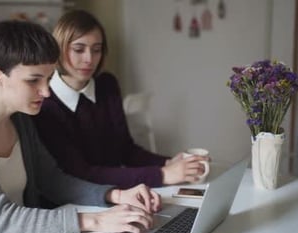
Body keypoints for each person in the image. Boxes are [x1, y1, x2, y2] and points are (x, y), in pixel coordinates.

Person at [0, 20, 161, 233]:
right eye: (33, 80)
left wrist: (115, 195)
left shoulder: (20, 117)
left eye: (48, 79)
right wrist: (95, 221)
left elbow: (52, 180)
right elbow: (0, 219)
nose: (45, 92)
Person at [33, 10, 209, 188]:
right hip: (82, 203)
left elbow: (126, 150)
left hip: (120, 193)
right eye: (79, 49)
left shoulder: (106, 85)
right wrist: (162, 175)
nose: (89, 59)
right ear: (59, 49)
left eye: (96, 50)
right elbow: (81, 173)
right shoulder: (47, 104)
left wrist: (169, 163)